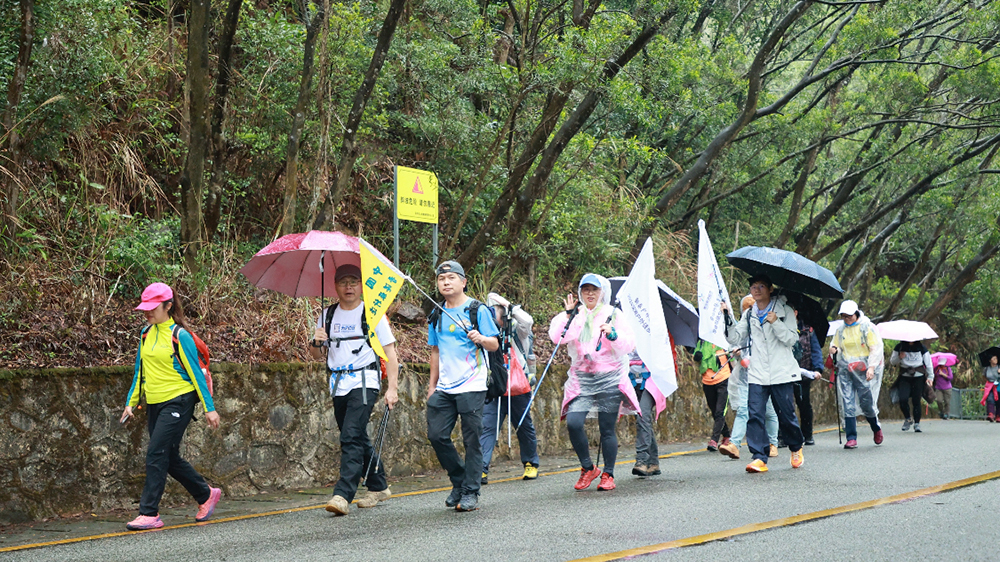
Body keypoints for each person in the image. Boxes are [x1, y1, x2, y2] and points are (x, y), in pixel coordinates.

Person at [120, 283, 221, 530]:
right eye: (145, 308)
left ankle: (149, 513)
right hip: (154, 402)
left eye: (153, 308)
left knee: (156, 452)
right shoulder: (145, 334)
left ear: (168, 305)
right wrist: (131, 402)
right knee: (168, 455)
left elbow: (196, 374)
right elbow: (139, 372)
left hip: (179, 399)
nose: (147, 313)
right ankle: (205, 494)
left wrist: (209, 407)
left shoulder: (179, 335)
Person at [309, 264, 400, 516]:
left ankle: (342, 494)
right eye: (343, 282)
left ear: (362, 286)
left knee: (349, 435)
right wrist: (316, 341)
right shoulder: (327, 315)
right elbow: (317, 354)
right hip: (338, 385)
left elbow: (391, 354)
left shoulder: (372, 313)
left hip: (365, 382)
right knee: (357, 436)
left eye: (354, 282)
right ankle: (379, 485)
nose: (349, 287)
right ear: (335, 286)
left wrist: (392, 388)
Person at [549, 273, 639, 491]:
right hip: (582, 380)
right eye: (586, 289)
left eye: (594, 290)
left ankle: (608, 474)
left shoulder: (613, 314)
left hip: (609, 378)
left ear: (602, 292)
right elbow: (558, 338)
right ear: (580, 293)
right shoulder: (574, 315)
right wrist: (568, 315)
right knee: (573, 422)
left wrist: (613, 334)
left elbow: (629, 345)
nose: (590, 293)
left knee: (607, 428)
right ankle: (588, 468)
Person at [426, 260, 500, 512]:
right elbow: (435, 351)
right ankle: (459, 480)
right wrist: (432, 385)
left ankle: (470, 492)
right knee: (436, 435)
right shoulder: (437, 313)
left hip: (472, 384)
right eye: (441, 279)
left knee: (472, 440)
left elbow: (494, 344)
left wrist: (481, 338)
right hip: (445, 387)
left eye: (451, 278)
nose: (445, 282)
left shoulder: (477, 310)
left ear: (463, 281)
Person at [722, 274, 805, 473]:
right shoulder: (749, 313)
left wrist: (776, 322)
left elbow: (791, 340)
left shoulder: (785, 310)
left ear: (770, 288)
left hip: (781, 371)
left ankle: (795, 447)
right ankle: (759, 456)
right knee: (755, 415)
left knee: (786, 416)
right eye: (753, 286)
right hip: (758, 373)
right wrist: (726, 316)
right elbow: (735, 337)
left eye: (761, 286)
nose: (756, 290)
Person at [480, 292, 540, 484]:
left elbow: (527, 321)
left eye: (497, 313)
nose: (495, 317)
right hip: (494, 386)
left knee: (523, 425)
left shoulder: (517, 331)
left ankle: (531, 463)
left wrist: (509, 307)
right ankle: (480, 468)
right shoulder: (486, 331)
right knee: (487, 426)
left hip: (518, 386)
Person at [720, 295, 780, 461]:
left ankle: (773, 443)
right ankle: (734, 444)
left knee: (769, 410)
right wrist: (737, 353)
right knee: (743, 410)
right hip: (746, 377)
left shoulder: (767, 325)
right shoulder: (742, 326)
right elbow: (734, 340)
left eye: (752, 307)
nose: (749, 310)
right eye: (746, 308)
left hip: (764, 376)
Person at [829, 300, 885, 449]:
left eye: (849, 316)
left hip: (863, 369)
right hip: (846, 368)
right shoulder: (841, 330)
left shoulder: (866, 327)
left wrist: (871, 367)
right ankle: (851, 437)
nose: (847, 319)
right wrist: (834, 350)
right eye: (844, 316)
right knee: (847, 401)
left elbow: (875, 348)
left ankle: (875, 427)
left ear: (856, 314)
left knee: (866, 402)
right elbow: (837, 345)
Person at [628, 336, 674, 477]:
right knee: (643, 418)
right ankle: (653, 463)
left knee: (643, 414)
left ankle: (642, 460)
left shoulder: (652, 329)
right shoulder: (623, 328)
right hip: (631, 379)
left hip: (652, 381)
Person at [792, 305, 824, 445]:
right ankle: (784, 435)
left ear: (796, 312)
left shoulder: (808, 330)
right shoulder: (779, 328)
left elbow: (815, 350)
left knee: (804, 403)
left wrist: (818, 369)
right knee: (785, 405)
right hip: (784, 373)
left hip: (804, 373)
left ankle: (807, 434)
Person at [693, 339, 732, 452]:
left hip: (724, 380)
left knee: (720, 411)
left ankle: (714, 440)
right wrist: (697, 357)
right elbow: (696, 360)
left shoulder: (723, 342)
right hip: (708, 382)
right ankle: (726, 435)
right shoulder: (701, 343)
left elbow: (733, 358)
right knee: (714, 411)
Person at [889, 340, 934, 432]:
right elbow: (892, 362)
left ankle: (917, 423)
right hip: (904, 377)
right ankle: (908, 418)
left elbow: (928, 363)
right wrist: (899, 357)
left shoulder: (921, 348)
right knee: (903, 398)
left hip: (918, 377)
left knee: (916, 400)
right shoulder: (899, 347)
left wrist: (930, 377)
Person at [982, 355, 1000, 422]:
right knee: (990, 399)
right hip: (990, 386)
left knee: (998, 400)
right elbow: (984, 376)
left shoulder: (999, 367)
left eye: (996, 358)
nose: (996, 360)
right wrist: (988, 382)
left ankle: (998, 416)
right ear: (990, 360)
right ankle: (991, 414)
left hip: (998, 386)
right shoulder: (986, 368)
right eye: (994, 358)